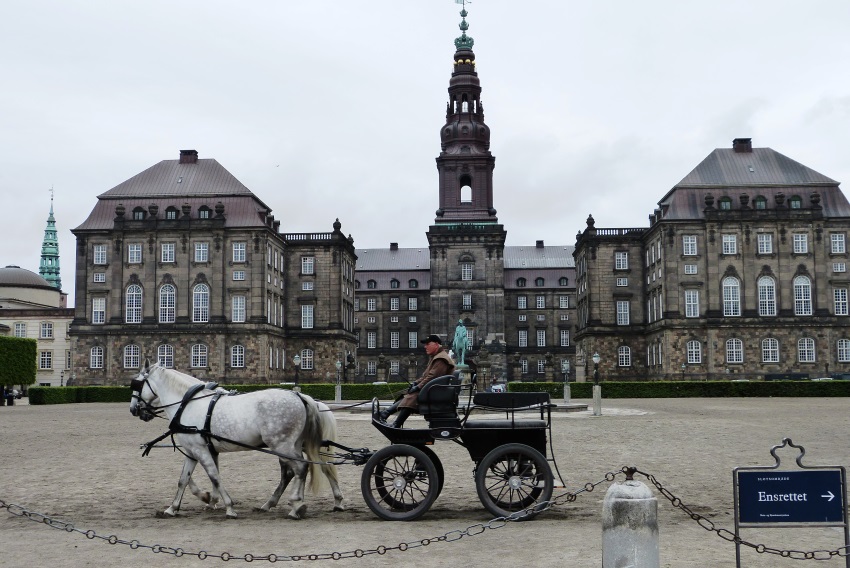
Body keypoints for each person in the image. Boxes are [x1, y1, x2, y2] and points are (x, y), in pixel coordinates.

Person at [376, 334, 456, 427]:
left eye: (428, 344)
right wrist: (416, 383)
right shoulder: (437, 357)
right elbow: (425, 376)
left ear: (436, 344)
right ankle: (386, 414)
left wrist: (418, 387)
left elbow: (432, 377)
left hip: (437, 392)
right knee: (409, 394)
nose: (425, 346)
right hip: (435, 390)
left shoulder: (441, 359)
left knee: (413, 396)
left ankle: (395, 423)